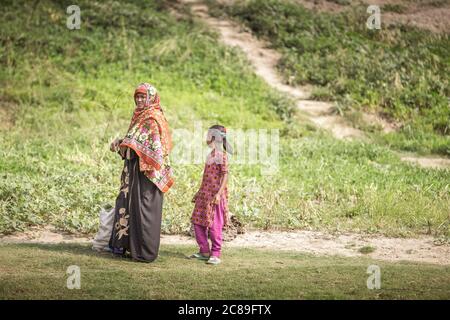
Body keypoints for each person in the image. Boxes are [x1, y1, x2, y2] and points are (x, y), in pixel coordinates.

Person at [108, 83, 174, 262]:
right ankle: (128, 247)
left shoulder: (152, 118)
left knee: (144, 209)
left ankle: (145, 252)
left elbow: (152, 148)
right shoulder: (139, 116)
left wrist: (124, 144)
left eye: (143, 96)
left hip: (148, 175)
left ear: (151, 98)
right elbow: (135, 142)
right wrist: (122, 143)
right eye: (137, 96)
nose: (139, 100)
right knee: (132, 207)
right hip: (136, 170)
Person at [190, 125, 232, 265]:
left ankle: (215, 253)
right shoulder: (211, 155)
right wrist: (199, 192)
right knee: (198, 222)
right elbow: (207, 177)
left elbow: (225, 176)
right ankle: (204, 251)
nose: (206, 138)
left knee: (215, 226)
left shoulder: (221, 156)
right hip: (204, 194)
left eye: (208, 135)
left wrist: (219, 194)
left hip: (215, 197)